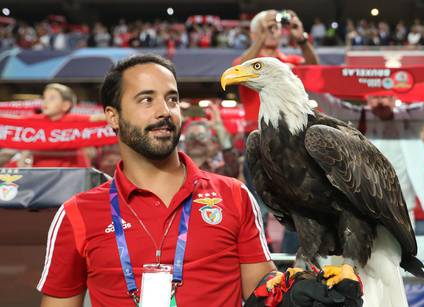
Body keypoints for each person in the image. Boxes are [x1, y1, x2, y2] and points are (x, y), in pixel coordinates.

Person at [37, 54, 361, 307]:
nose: (164, 111)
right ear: (113, 116)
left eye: (172, 99)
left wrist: (299, 296)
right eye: (146, 100)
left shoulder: (233, 195)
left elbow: (263, 290)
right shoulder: (76, 214)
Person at [315, 92, 424, 228]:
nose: (381, 102)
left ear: (395, 98)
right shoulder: (359, 117)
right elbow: (329, 104)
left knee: (404, 256)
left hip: (403, 208)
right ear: (367, 99)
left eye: (386, 97)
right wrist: (306, 76)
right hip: (365, 206)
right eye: (375, 97)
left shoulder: (410, 117)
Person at [234, 9, 319, 134]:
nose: (272, 32)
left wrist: (302, 39)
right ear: (253, 35)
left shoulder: (288, 62)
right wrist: (261, 38)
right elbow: (241, 68)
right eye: (267, 28)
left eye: (276, 28)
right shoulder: (243, 63)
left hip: (291, 132)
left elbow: (314, 69)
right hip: (257, 132)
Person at [0, 83, 104, 167]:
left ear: (65, 105)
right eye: (44, 98)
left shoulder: (75, 121)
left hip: (71, 176)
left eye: (51, 98)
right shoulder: (35, 122)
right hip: (41, 176)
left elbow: (97, 119)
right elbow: (13, 121)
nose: (45, 102)